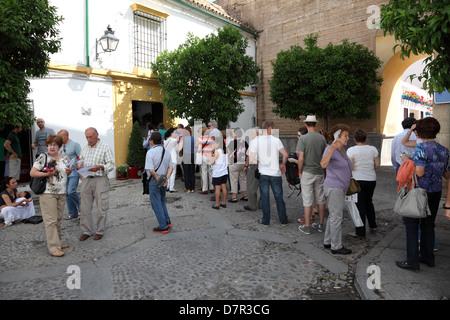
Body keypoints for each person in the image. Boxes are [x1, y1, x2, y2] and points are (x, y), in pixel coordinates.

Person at [396, 117, 450, 270]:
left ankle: (412, 261)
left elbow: (419, 172)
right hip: (436, 191)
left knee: (411, 224)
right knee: (428, 225)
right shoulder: (444, 150)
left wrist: (408, 160)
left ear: (420, 131)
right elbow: (447, 175)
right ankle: (428, 258)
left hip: (420, 191)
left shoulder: (421, 148)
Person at [30, 134, 72, 257]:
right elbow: (33, 172)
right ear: (47, 146)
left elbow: (66, 173)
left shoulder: (64, 158)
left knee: (58, 219)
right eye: (50, 145)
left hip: (61, 192)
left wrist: (69, 171)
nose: (52, 147)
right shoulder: (43, 157)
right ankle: (53, 247)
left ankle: (58, 242)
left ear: (59, 146)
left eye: (55, 145)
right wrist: (47, 174)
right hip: (48, 193)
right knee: (51, 220)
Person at [77, 128, 115, 241]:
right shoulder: (85, 148)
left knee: (101, 206)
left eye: (91, 137)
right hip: (86, 179)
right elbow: (81, 160)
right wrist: (79, 166)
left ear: (97, 135)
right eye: (87, 137)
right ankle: (86, 230)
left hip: (100, 179)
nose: (89, 140)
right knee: (84, 206)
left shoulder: (105, 147)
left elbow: (111, 165)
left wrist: (100, 167)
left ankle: (100, 230)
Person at [249, 121, 289, 227]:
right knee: (279, 197)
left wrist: (260, 162)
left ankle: (266, 221)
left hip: (263, 173)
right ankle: (283, 220)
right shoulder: (276, 140)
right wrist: (283, 164)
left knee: (265, 198)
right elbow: (285, 154)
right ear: (270, 128)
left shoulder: (256, 141)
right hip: (275, 173)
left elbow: (252, 159)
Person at [320, 124, 353, 254]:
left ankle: (328, 241)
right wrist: (332, 147)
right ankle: (336, 246)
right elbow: (323, 164)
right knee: (336, 217)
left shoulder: (342, 150)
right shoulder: (331, 149)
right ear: (336, 137)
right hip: (335, 187)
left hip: (340, 187)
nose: (348, 138)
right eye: (345, 136)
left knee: (334, 216)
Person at [296, 115, 327, 234]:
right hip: (319, 171)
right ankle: (320, 224)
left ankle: (307, 226)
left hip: (307, 172)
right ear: (315, 124)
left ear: (305, 124)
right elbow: (324, 156)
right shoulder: (322, 138)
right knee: (320, 199)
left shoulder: (303, 138)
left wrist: (299, 171)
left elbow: (301, 158)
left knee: (307, 200)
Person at [346, 129, 380, 238]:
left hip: (357, 179)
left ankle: (360, 231)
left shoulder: (351, 150)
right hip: (371, 179)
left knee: (359, 205)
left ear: (354, 139)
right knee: (369, 202)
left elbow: (350, 166)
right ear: (366, 138)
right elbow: (377, 165)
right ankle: (373, 225)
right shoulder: (373, 149)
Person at [145, 131, 174, 233]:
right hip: (163, 179)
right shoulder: (167, 152)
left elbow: (151, 170)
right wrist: (165, 178)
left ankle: (163, 226)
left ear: (151, 141)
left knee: (156, 203)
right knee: (162, 201)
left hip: (155, 180)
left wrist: (158, 180)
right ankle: (167, 220)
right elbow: (171, 167)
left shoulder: (150, 152)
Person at [57, 130, 81, 220]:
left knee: (71, 191)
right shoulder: (59, 146)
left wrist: (77, 165)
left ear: (66, 136)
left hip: (74, 171)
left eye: (60, 137)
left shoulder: (75, 144)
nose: (58, 139)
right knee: (67, 193)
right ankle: (73, 213)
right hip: (64, 172)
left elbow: (81, 157)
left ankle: (82, 209)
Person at [227, 128, 248, 203]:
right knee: (243, 179)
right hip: (243, 162)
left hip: (234, 163)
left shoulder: (233, 142)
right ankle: (245, 195)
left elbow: (229, 153)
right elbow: (247, 153)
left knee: (234, 180)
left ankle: (234, 197)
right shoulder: (245, 142)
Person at [243, 127, 260, 211]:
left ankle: (252, 205)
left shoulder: (254, 141)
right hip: (263, 165)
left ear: (256, 133)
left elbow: (249, 156)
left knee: (251, 186)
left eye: (252, 133)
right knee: (263, 186)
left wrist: (246, 166)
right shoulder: (264, 141)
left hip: (254, 165)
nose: (251, 134)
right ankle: (261, 204)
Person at [208, 137, 228, 209]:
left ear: (218, 143)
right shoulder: (224, 150)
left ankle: (216, 204)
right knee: (224, 187)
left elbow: (212, 162)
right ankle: (223, 203)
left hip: (217, 172)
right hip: (224, 172)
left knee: (217, 189)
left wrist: (209, 155)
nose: (212, 144)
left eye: (214, 143)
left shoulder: (217, 152)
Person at [198, 126, 214, 194]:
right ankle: (211, 187)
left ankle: (204, 188)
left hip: (204, 156)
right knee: (210, 172)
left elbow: (199, 149)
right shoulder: (212, 139)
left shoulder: (200, 139)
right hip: (210, 156)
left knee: (204, 173)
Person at [179, 126, 195, 193]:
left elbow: (179, 148)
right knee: (192, 172)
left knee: (186, 172)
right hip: (192, 155)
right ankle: (192, 188)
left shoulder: (183, 139)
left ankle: (188, 188)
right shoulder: (193, 138)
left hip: (186, 156)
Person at [164, 128, 179, 192]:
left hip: (166, 158)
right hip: (173, 158)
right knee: (172, 173)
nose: (175, 134)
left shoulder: (165, 140)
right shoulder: (174, 141)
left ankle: (167, 186)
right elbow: (177, 149)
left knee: (167, 173)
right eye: (174, 133)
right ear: (171, 133)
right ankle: (171, 187)